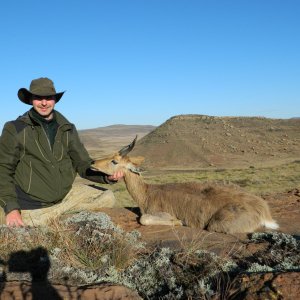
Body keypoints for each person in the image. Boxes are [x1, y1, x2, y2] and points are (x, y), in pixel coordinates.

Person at [0, 77, 123, 227]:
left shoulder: (67, 128)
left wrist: (107, 176)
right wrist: (11, 208)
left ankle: (55, 214)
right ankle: (46, 217)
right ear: (31, 99)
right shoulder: (15, 128)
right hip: (32, 203)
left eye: (48, 98)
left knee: (108, 197)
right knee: (33, 223)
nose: (44, 103)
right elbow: (3, 169)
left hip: (65, 196)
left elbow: (82, 164)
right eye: (38, 98)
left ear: (55, 100)